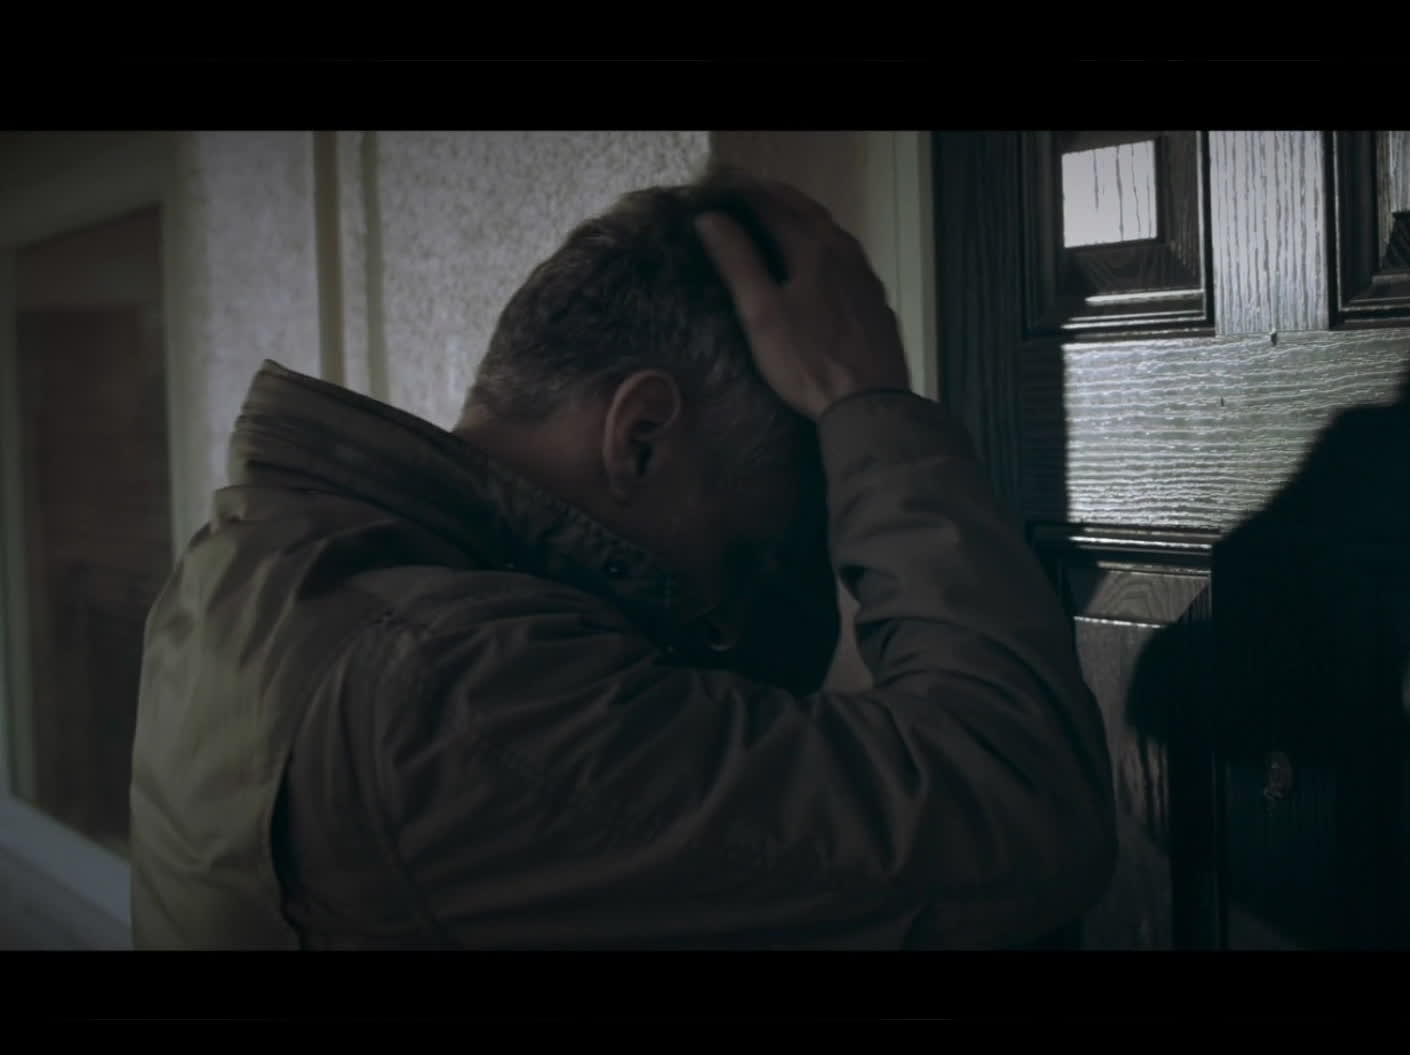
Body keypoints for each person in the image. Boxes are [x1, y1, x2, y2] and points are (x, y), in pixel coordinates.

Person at [129, 171, 1116, 949]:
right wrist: (869, 408)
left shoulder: (256, 565)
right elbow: (1012, 807)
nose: (739, 619)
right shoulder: (452, 687)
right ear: (640, 436)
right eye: (752, 549)